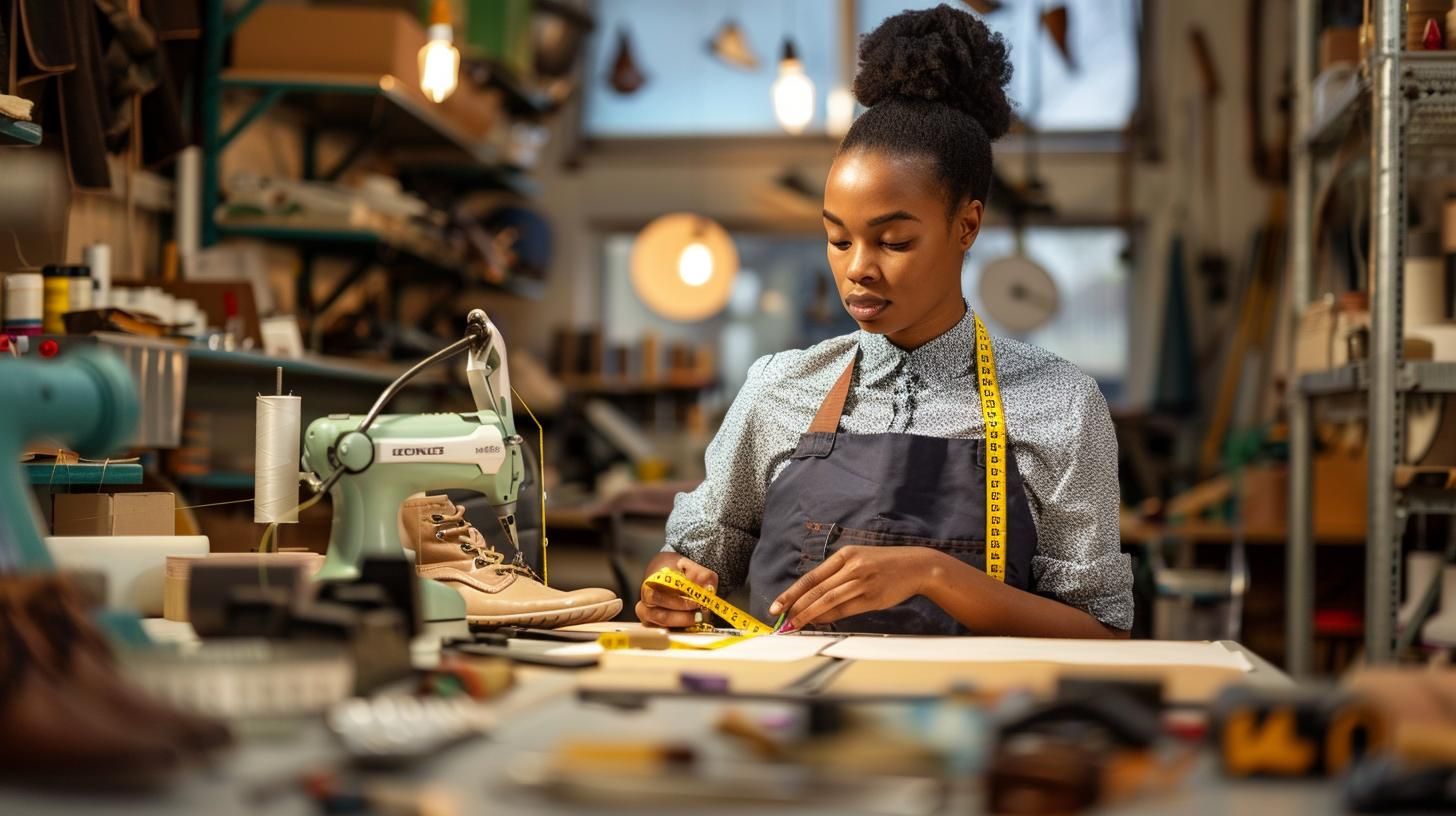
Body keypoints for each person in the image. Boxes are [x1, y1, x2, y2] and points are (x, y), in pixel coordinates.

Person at [638, 4, 1133, 638]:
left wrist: (936, 574)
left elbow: (1103, 634)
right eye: (838, 240)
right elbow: (699, 553)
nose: (858, 270)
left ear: (966, 227)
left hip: (978, 728)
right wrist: (672, 584)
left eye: (893, 242)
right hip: (787, 724)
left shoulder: (1061, 403)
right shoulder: (778, 388)